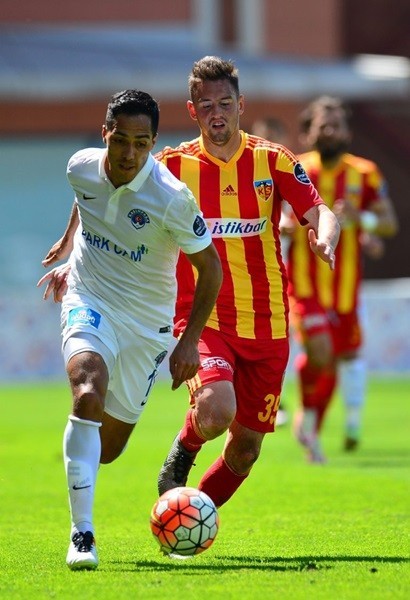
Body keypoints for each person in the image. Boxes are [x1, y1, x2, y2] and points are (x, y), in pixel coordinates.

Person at [37, 89, 222, 570]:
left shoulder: (172, 198)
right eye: (120, 140)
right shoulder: (80, 166)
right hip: (89, 298)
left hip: (146, 324)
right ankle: (82, 535)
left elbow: (211, 269)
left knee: (109, 449)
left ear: (153, 143)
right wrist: (70, 243)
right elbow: (86, 198)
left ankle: (83, 457)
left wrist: (189, 341)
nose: (129, 153)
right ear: (105, 134)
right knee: (87, 392)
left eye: (141, 143)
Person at [154, 56, 340, 509]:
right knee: (217, 409)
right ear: (192, 110)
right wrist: (76, 252)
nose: (216, 113)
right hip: (205, 318)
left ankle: (187, 519)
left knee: (246, 450)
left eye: (225, 103)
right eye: (206, 105)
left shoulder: (272, 160)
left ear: (241, 105)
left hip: (268, 323)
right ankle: (184, 448)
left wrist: (326, 238)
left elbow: (320, 210)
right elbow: (111, 188)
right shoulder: (170, 166)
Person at [283, 95, 398, 462]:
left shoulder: (365, 173)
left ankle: (312, 425)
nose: (330, 131)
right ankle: (309, 414)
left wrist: (361, 220)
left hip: (345, 289)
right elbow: (277, 213)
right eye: (323, 125)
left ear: (348, 132)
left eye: (337, 125)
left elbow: (389, 223)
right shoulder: (295, 168)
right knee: (321, 351)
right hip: (304, 284)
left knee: (335, 359)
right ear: (309, 133)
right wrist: (284, 226)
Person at [251, 116, 292, 426]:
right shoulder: (247, 170)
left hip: (283, 276)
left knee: (280, 343)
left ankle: (279, 400)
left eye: (272, 137)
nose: (266, 144)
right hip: (247, 273)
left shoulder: (290, 171)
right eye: (262, 137)